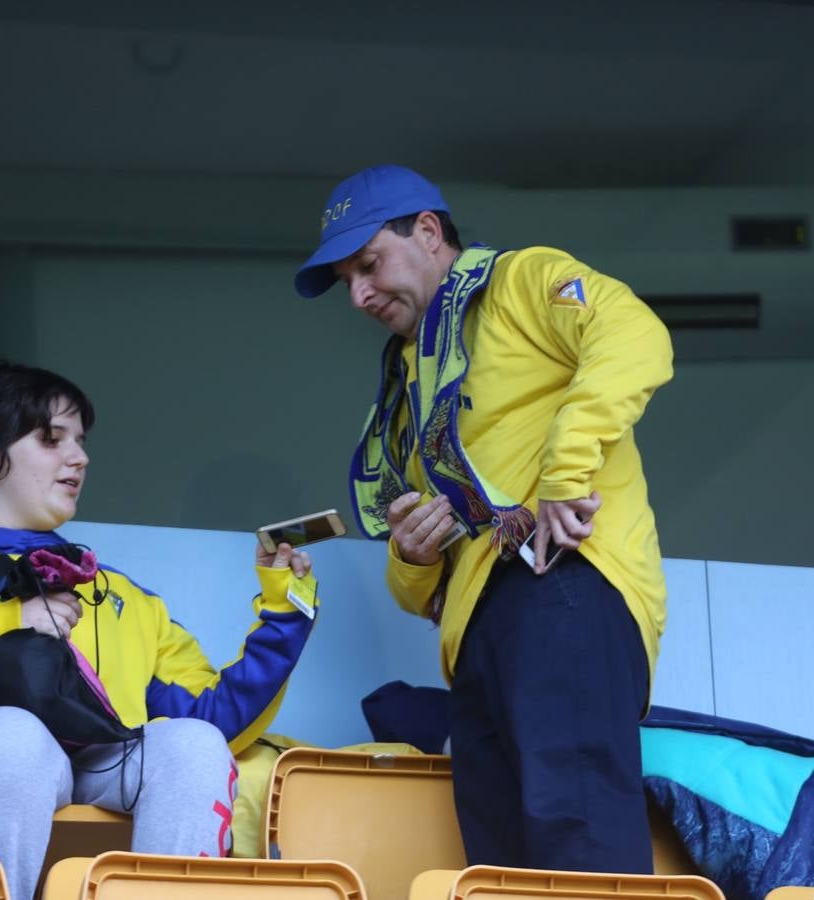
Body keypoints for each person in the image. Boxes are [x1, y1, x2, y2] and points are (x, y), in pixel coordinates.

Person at [294, 165, 673, 873]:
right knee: (502, 870)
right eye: (347, 280)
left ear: (430, 233)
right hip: (475, 642)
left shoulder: (520, 281)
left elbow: (635, 335)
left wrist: (563, 474)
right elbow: (417, 598)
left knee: (580, 841)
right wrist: (412, 554)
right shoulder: (408, 385)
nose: (359, 295)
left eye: (369, 266)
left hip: (564, 583)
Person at [0, 360, 319, 900]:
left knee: (194, 744)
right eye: (51, 439)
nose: (79, 458)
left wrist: (285, 610)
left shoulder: (122, 594)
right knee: (17, 737)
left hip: (99, 765)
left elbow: (213, 716)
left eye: (80, 442)